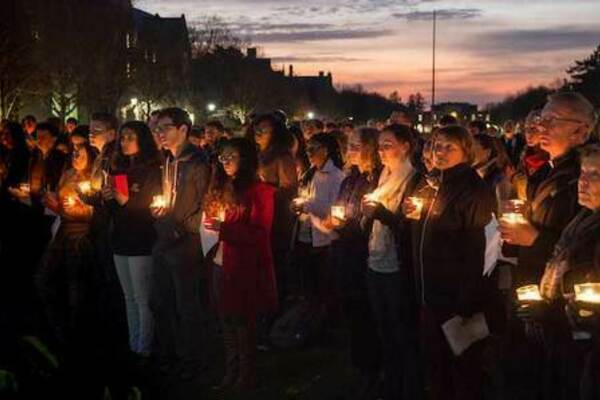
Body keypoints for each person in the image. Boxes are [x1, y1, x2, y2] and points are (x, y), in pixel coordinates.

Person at [411, 125, 495, 400]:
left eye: (450, 147)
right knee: (436, 365)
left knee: (459, 369)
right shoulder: (436, 183)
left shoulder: (472, 189)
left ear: (466, 151)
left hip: (453, 297)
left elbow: (475, 250)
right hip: (430, 292)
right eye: (437, 146)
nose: (441, 152)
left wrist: (465, 304)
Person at [204, 138, 277, 390]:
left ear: (245, 159)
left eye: (231, 156)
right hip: (219, 261)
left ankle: (247, 374)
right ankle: (231, 371)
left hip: (242, 265)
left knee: (242, 322)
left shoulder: (260, 191)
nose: (225, 162)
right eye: (222, 157)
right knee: (225, 319)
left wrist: (224, 229)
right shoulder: (223, 186)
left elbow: (260, 233)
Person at [532, 144, 600, 400]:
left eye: (595, 175)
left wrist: (584, 317)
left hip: (587, 349)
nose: (583, 181)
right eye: (583, 173)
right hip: (566, 340)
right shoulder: (582, 219)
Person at [359, 124, 423, 400]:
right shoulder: (383, 175)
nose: (381, 150)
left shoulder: (414, 179)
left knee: (401, 329)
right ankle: (390, 378)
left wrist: (381, 213)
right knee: (382, 325)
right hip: (375, 258)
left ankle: (408, 385)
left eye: (388, 144)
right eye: (380, 145)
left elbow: (409, 226)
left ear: (405, 146)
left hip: (397, 264)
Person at [151, 107, 210, 379]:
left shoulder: (197, 162)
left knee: (186, 303)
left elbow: (203, 204)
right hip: (165, 236)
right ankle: (170, 352)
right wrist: (161, 212)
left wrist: (183, 228)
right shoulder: (169, 159)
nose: (159, 133)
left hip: (185, 241)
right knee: (160, 300)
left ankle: (193, 359)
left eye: (165, 128)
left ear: (183, 129)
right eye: (157, 128)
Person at [326, 127, 382, 399]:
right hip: (344, 254)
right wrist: (332, 221)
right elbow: (340, 208)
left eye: (355, 146)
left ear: (370, 149)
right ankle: (360, 366)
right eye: (348, 146)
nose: (348, 151)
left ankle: (372, 372)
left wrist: (344, 226)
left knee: (366, 316)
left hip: (363, 257)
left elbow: (367, 223)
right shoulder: (351, 179)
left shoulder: (376, 180)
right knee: (353, 314)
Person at [102, 121, 161, 357]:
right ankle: (133, 344)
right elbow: (115, 210)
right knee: (128, 297)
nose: (124, 142)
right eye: (122, 137)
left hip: (141, 241)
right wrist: (107, 198)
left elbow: (146, 208)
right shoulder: (120, 169)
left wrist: (123, 199)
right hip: (120, 239)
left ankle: (144, 349)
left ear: (142, 140)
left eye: (130, 137)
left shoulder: (151, 171)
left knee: (142, 297)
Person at [290, 133, 344, 316]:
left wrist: (307, 205)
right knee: (308, 284)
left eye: (314, 148)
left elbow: (337, 208)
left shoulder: (336, 176)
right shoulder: (310, 172)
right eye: (307, 148)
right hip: (305, 234)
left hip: (324, 239)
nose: (309, 152)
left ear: (326, 150)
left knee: (323, 287)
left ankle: (324, 322)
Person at [250, 114, 298, 300]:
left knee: (275, 261)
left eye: (264, 130)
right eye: (257, 129)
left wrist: (264, 189)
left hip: (276, 218)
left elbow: (289, 189)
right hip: (257, 215)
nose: (258, 133)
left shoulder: (282, 156)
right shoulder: (257, 153)